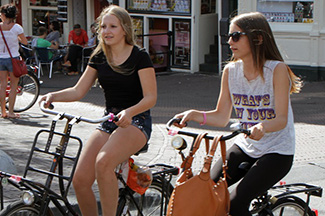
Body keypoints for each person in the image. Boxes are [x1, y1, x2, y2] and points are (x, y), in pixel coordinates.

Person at [172, 12, 303, 216]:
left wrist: (262, 127)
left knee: (235, 202)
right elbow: (222, 116)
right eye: (228, 36)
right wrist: (194, 115)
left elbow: (281, 119)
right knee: (203, 189)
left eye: (236, 36)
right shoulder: (231, 71)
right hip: (246, 145)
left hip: (277, 151)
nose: (229, 41)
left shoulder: (277, 70)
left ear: (257, 38)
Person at [40, 5, 156, 215]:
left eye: (113, 26)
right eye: (103, 26)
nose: (106, 31)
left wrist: (129, 112)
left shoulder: (139, 56)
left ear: (125, 29)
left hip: (136, 121)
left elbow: (151, 98)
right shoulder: (100, 56)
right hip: (110, 120)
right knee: (80, 179)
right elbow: (78, 91)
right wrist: (52, 96)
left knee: (103, 163)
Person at [0, 4, 28, 119]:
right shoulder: (17, 28)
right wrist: (16, 38)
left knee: (2, 85)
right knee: (13, 86)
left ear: (3, 15)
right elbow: (25, 42)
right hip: (13, 58)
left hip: (1, 58)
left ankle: (2, 111)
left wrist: (0, 37)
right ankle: (11, 112)